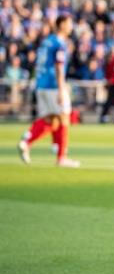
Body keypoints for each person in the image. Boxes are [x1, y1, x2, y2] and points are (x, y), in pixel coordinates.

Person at [18, 15, 80, 167]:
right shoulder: (60, 43)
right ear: (63, 24)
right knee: (64, 117)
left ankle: (27, 141)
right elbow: (59, 67)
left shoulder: (46, 41)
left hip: (41, 84)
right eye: (69, 23)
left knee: (51, 120)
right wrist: (61, 89)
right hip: (53, 85)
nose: (71, 27)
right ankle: (61, 157)